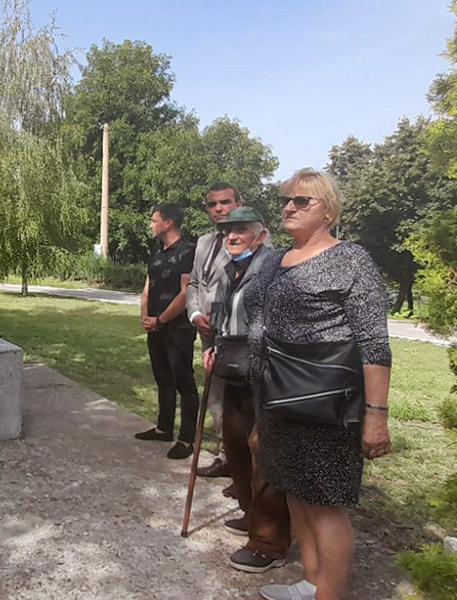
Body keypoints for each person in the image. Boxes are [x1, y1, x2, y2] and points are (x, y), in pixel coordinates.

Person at [248, 169, 391, 600]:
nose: (289, 207)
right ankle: (310, 583)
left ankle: (331, 593)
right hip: (275, 399)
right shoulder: (274, 258)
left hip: (325, 404)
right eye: (287, 200)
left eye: (302, 201)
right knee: (294, 491)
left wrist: (376, 416)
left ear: (328, 210)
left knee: (326, 505)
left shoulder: (351, 260)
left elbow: (374, 344)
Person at [200, 207, 291, 574]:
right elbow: (220, 317)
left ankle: (269, 542)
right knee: (235, 441)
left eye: (241, 230)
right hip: (232, 364)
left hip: (265, 369)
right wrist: (211, 346)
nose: (232, 237)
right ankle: (249, 513)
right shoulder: (229, 270)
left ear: (262, 235)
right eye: (227, 232)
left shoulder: (273, 269)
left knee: (262, 450)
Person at [185, 183, 241, 477]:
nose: (219, 208)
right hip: (206, 332)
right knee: (215, 395)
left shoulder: (254, 240)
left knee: (242, 403)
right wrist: (194, 313)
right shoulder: (205, 241)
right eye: (212, 204)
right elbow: (194, 283)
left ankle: (245, 466)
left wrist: (219, 318)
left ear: (238, 203)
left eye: (225, 202)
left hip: (236, 335)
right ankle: (225, 455)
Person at [134, 203, 199, 460]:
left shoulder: (188, 251)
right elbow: (147, 287)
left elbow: (187, 292)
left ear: (168, 223)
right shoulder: (157, 252)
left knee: (184, 381)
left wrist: (160, 320)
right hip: (156, 327)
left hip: (178, 328)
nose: (150, 224)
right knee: (163, 379)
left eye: (154, 220)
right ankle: (163, 428)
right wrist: (146, 317)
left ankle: (186, 439)